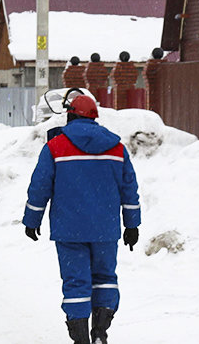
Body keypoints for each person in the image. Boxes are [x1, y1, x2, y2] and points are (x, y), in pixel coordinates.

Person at [23, 93, 141, 344]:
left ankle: (80, 339)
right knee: (105, 280)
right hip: (105, 229)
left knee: (76, 283)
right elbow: (129, 188)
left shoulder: (55, 147)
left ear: (70, 114)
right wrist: (132, 224)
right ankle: (100, 332)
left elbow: (40, 186)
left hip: (69, 230)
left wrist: (32, 219)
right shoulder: (117, 148)